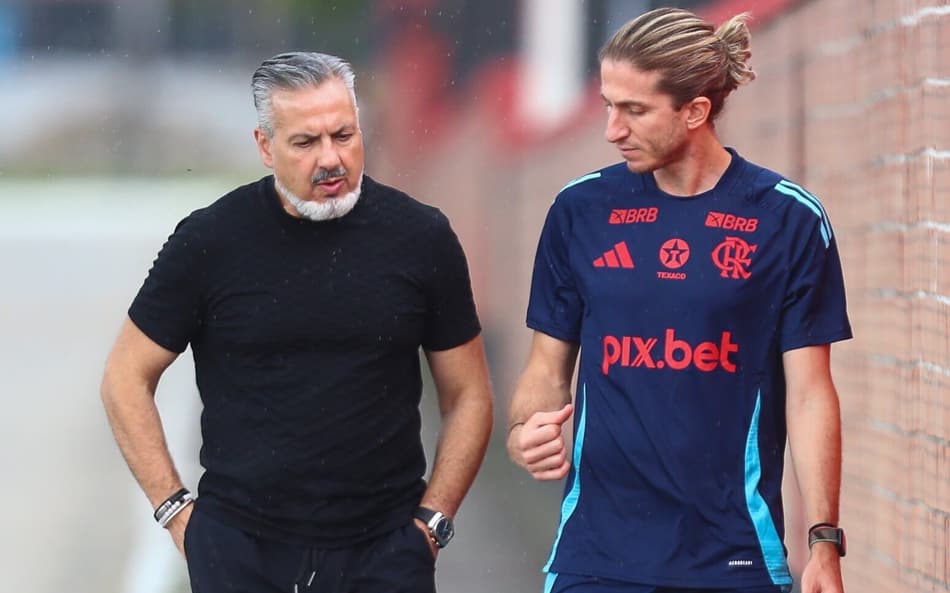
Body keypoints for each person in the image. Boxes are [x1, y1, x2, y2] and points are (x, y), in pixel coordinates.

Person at [101, 51, 493, 593]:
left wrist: (432, 523)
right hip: (241, 554)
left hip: (385, 554)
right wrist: (176, 513)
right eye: (306, 142)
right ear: (265, 146)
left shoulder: (422, 238)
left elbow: (469, 394)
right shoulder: (209, 241)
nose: (331, 159)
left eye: (344, 135)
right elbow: (125, 376)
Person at [507, 8, 850, 593]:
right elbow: (546, 368)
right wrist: (524, 432)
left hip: (735, 559)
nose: (612, 129)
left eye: (634, 110)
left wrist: (823, 542)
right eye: (608, 105)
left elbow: (810, 393)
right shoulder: (579, 211)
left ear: (695, 111)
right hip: (595, 558)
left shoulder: (787, 219)